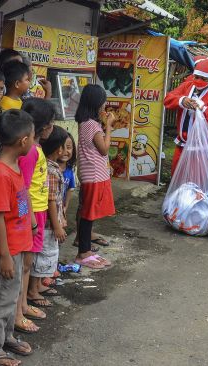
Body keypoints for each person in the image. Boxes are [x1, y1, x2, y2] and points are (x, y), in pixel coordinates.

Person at [0, 109, 35, 366]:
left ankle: (6, 337)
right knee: (0, 299)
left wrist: (31, 222)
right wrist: (4, 256)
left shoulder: (12, 165)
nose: (34, 142)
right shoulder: (1, 174)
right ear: (23, 140)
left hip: (15, 245)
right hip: (4, 249)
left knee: (10, 298)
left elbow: (19, 201)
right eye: (33, 137)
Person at [15, 97, 56, 333]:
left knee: (28, 264)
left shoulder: (36, 150)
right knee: (25, 264)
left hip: (36, 212)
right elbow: (24, 188)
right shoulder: (31, 152)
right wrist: (29, 220)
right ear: (43, 127)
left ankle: (23, 305)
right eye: (51, 123)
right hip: (32, 213)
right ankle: (19, 310)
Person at [163, 58, 208, 174]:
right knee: (177, 177)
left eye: (203, 79)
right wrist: (182, 100)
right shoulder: (186, 86)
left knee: (197, 181)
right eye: (196, 77)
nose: (198, 81)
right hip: (182, 144)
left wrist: (203, 108)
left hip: (203, 148)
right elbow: (167, 99)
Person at [75, 84, 115, 269]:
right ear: (96, 103)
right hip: (94, 176)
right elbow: (104, 148)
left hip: (91, 173)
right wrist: (108, 126)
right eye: (103, 101)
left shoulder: (85, 122)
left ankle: (85, 247)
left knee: (87, 213)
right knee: (88, 215)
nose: (104, 104)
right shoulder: (92, 125)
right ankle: (83, 253)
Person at [33, 125, 68, 297]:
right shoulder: (51, 171)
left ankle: (38, 285)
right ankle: (34, 288)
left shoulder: (52, 167)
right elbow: (51, 200)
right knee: (43, 254)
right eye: (64, 145)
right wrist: (57, 225)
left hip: (50, 221)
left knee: (45, 254)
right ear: (57, 148)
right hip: (48, 223)